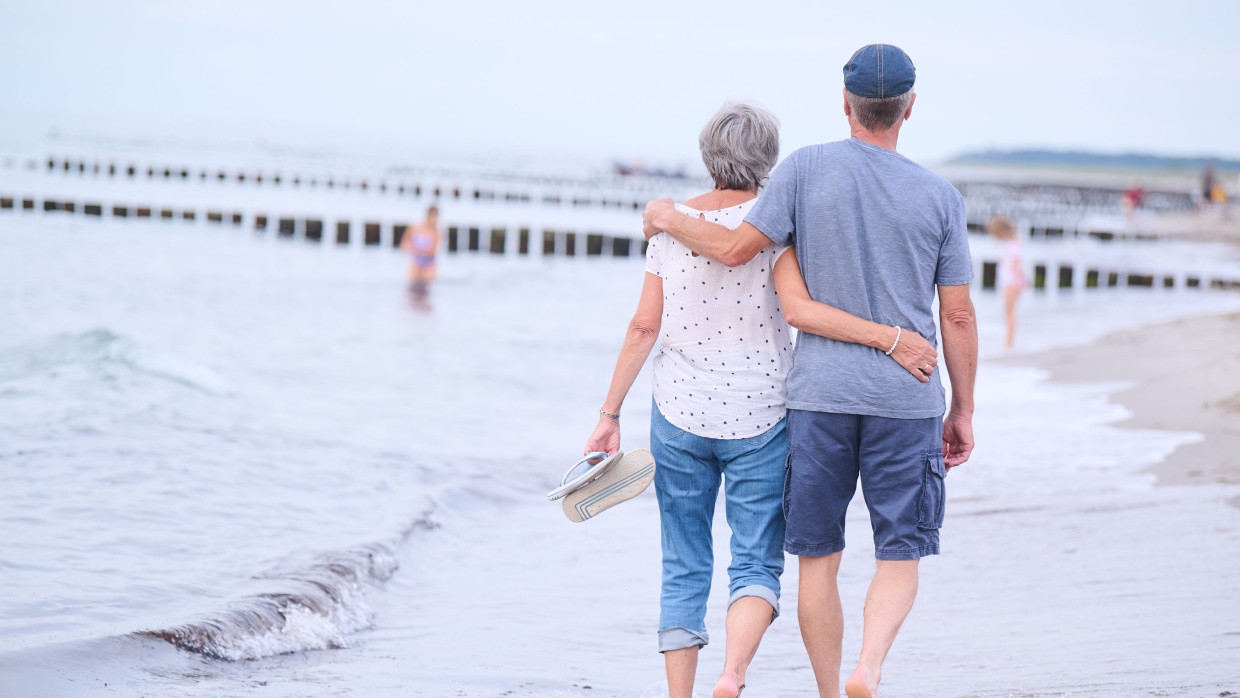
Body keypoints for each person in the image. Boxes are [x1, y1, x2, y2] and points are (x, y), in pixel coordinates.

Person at [642, 44, 977, 698]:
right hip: (906, 399)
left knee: (817, 561)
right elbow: (958, 317)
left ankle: (830, 690)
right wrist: (962, 407)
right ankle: (869, 667)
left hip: (817, 399)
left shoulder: (802, 169)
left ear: (845, 104)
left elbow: (736, 248)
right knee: (899, 554)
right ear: (909, 108)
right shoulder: (940, 197)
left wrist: (666, 217)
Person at [585, 101, 939, 698]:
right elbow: (799, 309)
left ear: (707, 154)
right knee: (754, 561)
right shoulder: (778, 227)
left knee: (683, 560)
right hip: (761, 414)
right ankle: (733, 672)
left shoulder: (671, 228)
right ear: (769, 159)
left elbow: (643, 329)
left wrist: (608, 413)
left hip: (677, 413)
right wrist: (892, 338)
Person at [987, 215, 1026, 349]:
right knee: (1008, 311)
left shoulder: (1012, 245)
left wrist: (1020, 281)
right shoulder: (1010, 244)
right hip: (1009, 282)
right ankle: (1009, 341)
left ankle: (1009, 342)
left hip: (1012, 282)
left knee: (1009, 312)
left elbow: (1016, 266)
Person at [400, 206, 440, 302]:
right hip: (416, 263)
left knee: (427, 294)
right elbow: (404, 244)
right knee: (411, 293)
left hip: (429, 265)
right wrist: (414, 250)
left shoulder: (437, 232)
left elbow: (432, 251)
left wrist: (415, 249)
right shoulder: (415, 227)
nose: (435, 221)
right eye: (434, 217)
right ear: (428, 216)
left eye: (437, 218)